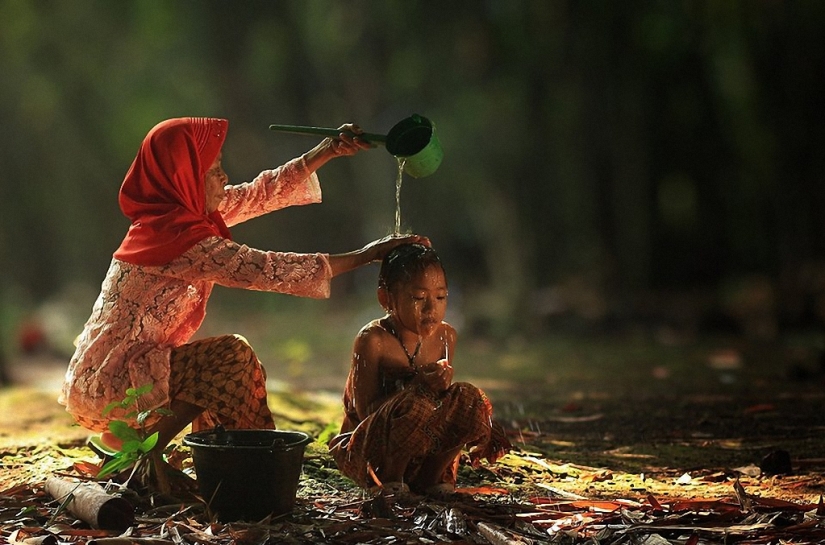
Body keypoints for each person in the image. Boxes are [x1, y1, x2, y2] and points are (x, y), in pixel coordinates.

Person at [58, 117, 427, 492]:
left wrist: (328, 150)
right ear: (185, 180)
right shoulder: (181, 239)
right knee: (231, 358)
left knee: (229, 368)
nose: (224, 177)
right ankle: (144, 454)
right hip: (112, 383)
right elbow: (268, 269)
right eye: (214, 170)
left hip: (106, 376)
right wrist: (367, 256)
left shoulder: (175, 217)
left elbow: (258, 193)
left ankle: (215, 467)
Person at [329, 243, 510, 497]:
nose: (431, 309)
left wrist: (440, 386)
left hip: (422, 448)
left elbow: (444, 405)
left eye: (440, 297)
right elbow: (365, 412)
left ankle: (431, 477)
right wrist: (415, 388)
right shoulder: (373, 340)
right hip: (370, 451)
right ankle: (390, 481)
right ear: (386, 298)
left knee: (469, 398)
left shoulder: (446, 335)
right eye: (418, 298)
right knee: (418, 403)